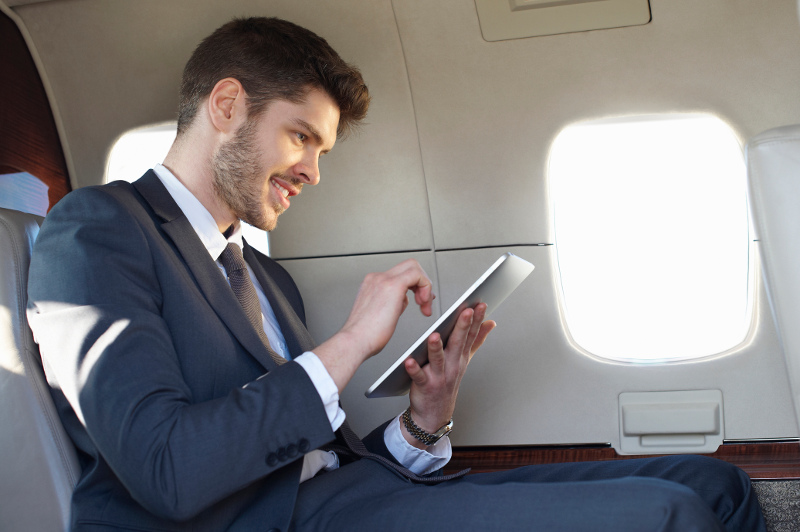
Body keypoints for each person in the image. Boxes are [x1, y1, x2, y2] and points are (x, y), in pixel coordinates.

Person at [27, 16, 765, 532]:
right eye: (301, 137)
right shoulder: (98, 232)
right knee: (672, 517)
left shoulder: (264, 280)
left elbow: (314, 459)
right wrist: (349, 343)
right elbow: (168, 469)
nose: (314, 171)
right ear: (227, 106)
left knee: (715, 485)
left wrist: (424, 418)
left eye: (324, 151)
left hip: (350, 498)